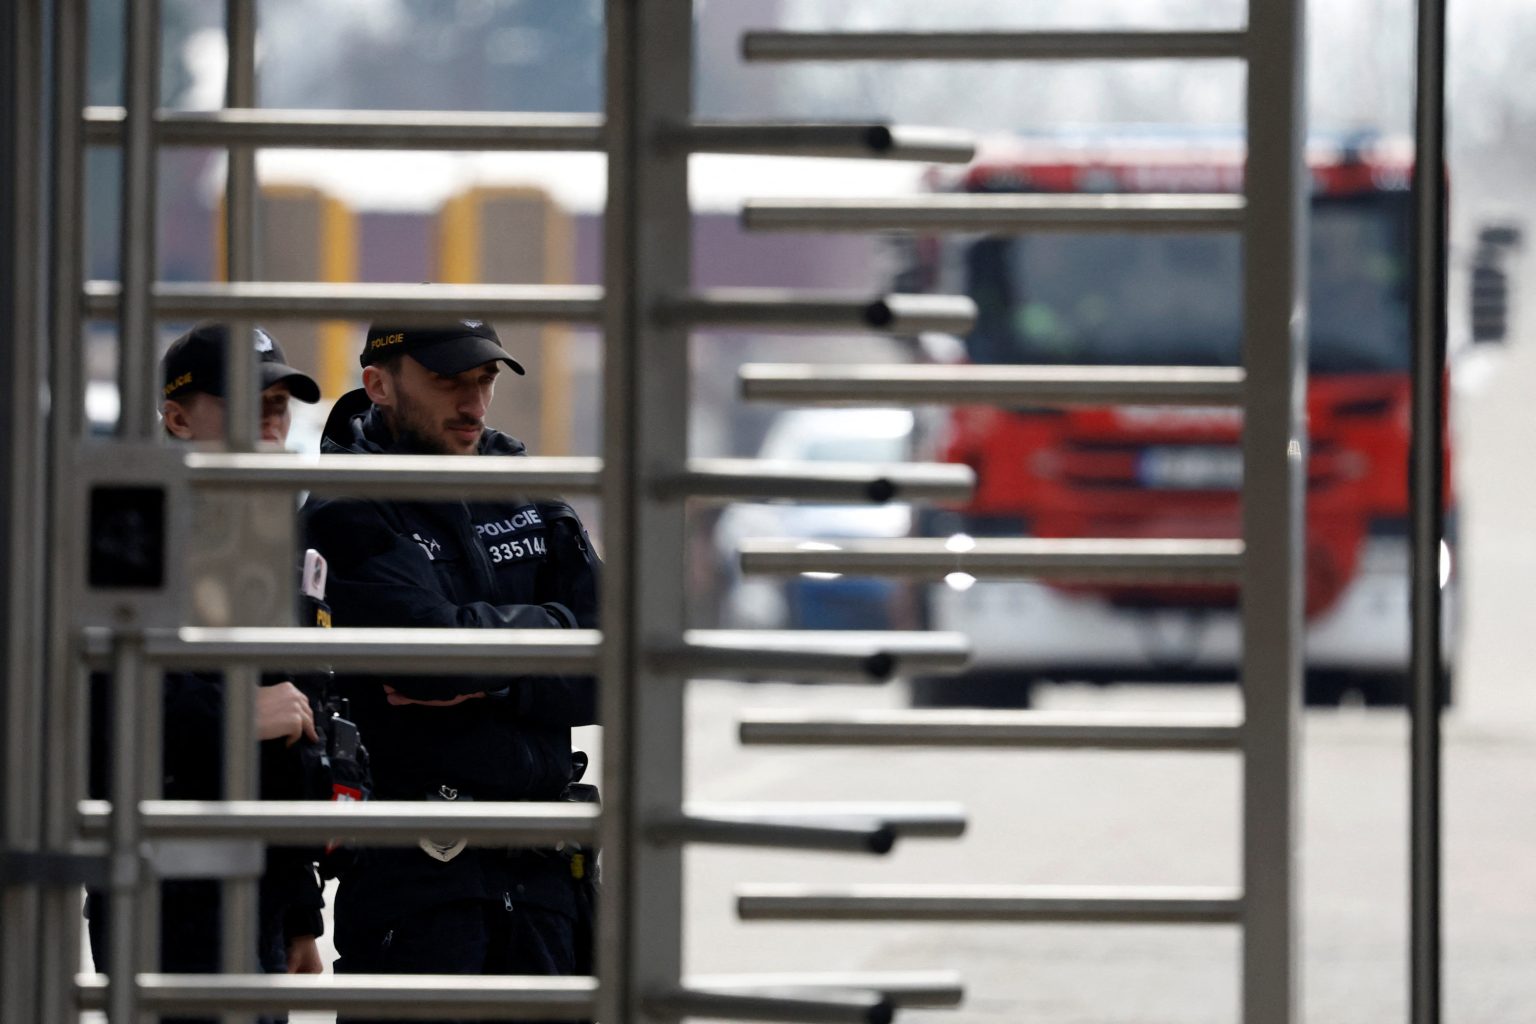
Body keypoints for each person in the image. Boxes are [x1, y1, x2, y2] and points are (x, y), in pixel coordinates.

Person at [301, 321, 599, 1023]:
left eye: (484, 382)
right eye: (448, 383)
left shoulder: (523, 489)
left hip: (546, 876)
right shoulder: (347, 506)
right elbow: (429, 654)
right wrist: (552, 638)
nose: (474, 404)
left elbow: (621, 660)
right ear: (379, 385)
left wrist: (489, 670)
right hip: (419, 883)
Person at [87, 323, 329, 1024]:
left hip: (254, 884)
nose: (269, 420)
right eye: (246, 401)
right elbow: (89, 693)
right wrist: (235, 714)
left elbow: (292, 731)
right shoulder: (129, 526)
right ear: (177, 417)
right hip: (160, 877)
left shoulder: (266, 535)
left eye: (280, 404)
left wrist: (299, 907)